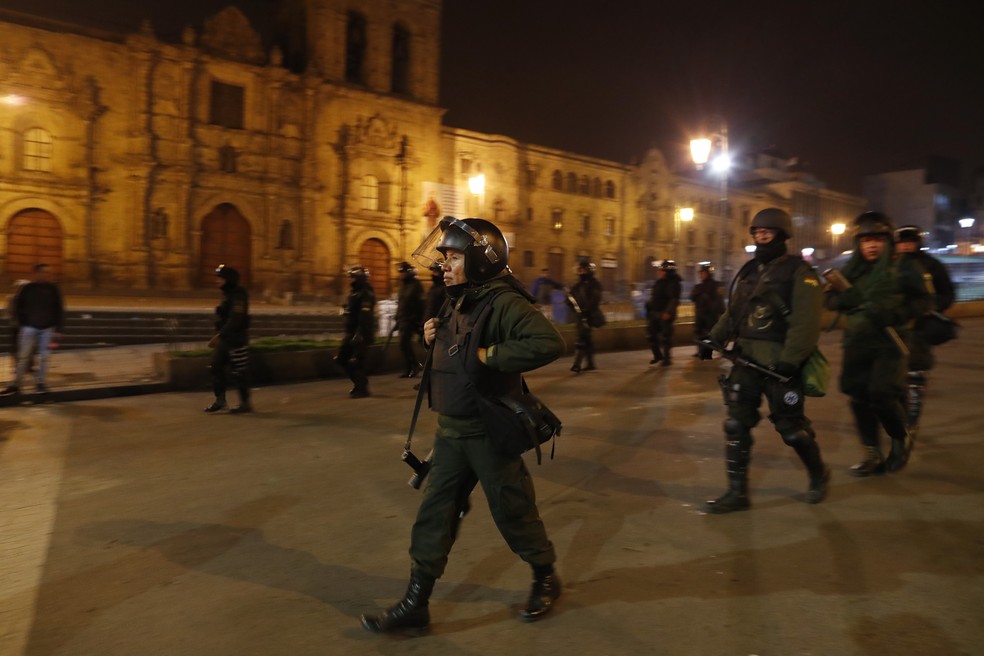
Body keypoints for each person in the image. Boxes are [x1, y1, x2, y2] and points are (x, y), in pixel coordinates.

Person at [361, 216, 564, 634]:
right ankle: (417, 603)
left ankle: (545, 575)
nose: (444, 265)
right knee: (434, 515)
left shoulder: (503, 301)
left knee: (513, 511)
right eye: (445, 258)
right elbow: (455, 355)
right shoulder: (458, 298)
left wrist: (492, 357)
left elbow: (548, 342)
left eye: (453, 257)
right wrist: (431, 338)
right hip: (451, 431)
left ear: (480, 260)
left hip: (488, 430)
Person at [703, 208, 829, 513]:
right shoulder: (748, 272)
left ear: (781, 235)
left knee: (792, 430)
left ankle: (818, 474)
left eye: (767, 233)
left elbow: (806, 323)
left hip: (779, 364)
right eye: (757, 233)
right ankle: (737, 493)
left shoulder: (799, 272)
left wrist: (790, 361)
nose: (761, 237)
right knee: (735, 424)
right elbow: (733, 312)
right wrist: (714, 338)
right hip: (745, 360)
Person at [824, 212, 931, 476]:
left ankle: (899, 438)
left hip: (890, 344)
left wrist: (894, 315)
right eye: (865, 240)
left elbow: (923, 301)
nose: (871, 245)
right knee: (858, 397)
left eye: (877, 240)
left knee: (881, 395)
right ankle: (871, 452)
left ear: (888, 241)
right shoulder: (851, 269)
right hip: (857, 341)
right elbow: (829, 299)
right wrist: (842, 300)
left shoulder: (903, 267)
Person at [893, 225, 956, 433]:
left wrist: (932, 306)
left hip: (919, 325)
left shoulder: (931, 265)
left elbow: (947, 294)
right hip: (894, 325)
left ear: (919, 243)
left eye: (910, 242)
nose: (906, 246)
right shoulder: (890, 264)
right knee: (892, 375)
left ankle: (911, 419)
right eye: (902, 242)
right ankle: (899, 412)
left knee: (915, 373)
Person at [1, 264, 64, 396]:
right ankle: (16, 384)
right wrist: (23, 322)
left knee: (44, 357)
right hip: (29, 327)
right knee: (23, 356)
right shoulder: (28, 288)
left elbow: (59, 309)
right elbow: (19, 305)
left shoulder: (53, 289)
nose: (47, 275)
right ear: (36, 274)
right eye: (44, 272)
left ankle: (40, 383)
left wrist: (58, 328)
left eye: (49, 273)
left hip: (47, 328)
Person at [204, 264, 252, 413]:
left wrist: (220, 336)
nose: (217, 281)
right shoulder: (228, 294)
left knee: (239, 372)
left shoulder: (239, 295)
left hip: (236, 341)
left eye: (220, 278)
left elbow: (235, 319)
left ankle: (245, 404)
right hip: (225, 341)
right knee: (215, 367)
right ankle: (220, 401)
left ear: (229, 279)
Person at [336, 266, 376, 398]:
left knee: (357, 361)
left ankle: (362, 388)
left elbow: (365, 316)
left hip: (360, 333)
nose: (350, 280)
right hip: (350, 331)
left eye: (352, 277)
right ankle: (360, 384)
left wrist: (359, 334)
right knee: (341, 359)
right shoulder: (354, 292)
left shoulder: (366, 293)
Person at [566, 258, 603, 373]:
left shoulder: (594, 284)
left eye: (582, 270)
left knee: (581, 339)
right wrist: (569, 301)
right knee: (586, 339)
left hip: (589, 316)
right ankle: (591, 363)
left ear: (588, 270)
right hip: (580, 316)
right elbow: (571, 298)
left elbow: (595, 299)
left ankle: (577, 364)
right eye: (579, 270)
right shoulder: (578, 285)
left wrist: (586, 311)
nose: (580, 272)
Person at [646, 260, 681, 366]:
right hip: (655, 313)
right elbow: (655, 297)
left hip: (665, 314)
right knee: (651, 335)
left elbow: (674, 300)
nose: (659, 272)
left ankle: (667, 359)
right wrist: (649, 307)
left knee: (665, 337)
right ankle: (657, 356)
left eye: (661, 270)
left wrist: (668, 312)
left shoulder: (674, 284)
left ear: (667, 271)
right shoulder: (659, 282)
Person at [395, 261, 425, 378]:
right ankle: (411, 367)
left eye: (403, 272)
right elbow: (401, 302)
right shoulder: (403, 285)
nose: (401, 274)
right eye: (400, 272)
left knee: (404, 343)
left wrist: (417, 319)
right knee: (403, 344)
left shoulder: (416, 285)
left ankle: (414, 366)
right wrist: (397, 316)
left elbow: (421, 303)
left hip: (411, 320)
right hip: (403, 319)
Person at [690, 263, 726, 360]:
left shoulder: (715, 285)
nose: (701, 275)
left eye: (703, 273)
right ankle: (700, 351)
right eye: (701, 273)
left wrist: (718, 311)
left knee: (710, 334)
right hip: (700, 314)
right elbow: (692, 297)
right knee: (698, 333)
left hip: (710, 315)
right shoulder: (699, 286)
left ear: (708, 274)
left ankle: (708, 352)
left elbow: (719, 300)